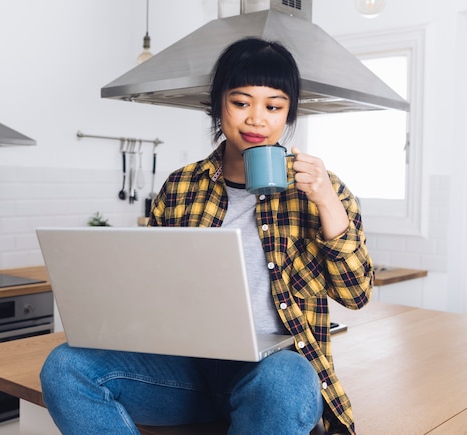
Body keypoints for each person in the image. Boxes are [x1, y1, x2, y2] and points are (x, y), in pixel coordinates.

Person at [40, 37, 373, 434]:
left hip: (269, 378)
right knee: (65, 367)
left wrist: (326, 202)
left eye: (273, 106)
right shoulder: (181, 187)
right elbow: (147, 289)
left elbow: (356, 294)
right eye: (241, 102)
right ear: (218, 103)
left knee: (286, 379)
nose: (256, 119)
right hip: (183, 376)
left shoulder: (320, 188)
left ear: (288, 114)